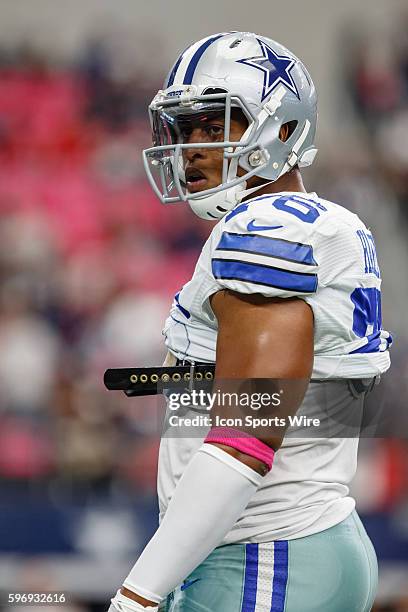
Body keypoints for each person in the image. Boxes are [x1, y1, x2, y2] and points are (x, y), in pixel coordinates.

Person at [109, 32, 392, 611]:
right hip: (283, 545)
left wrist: (139, 592)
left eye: (214, 128)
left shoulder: (266, 232)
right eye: (185, 130)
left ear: (282, 128)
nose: (191, 149)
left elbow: (247, 436)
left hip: (267, 553)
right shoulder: (316, 224)